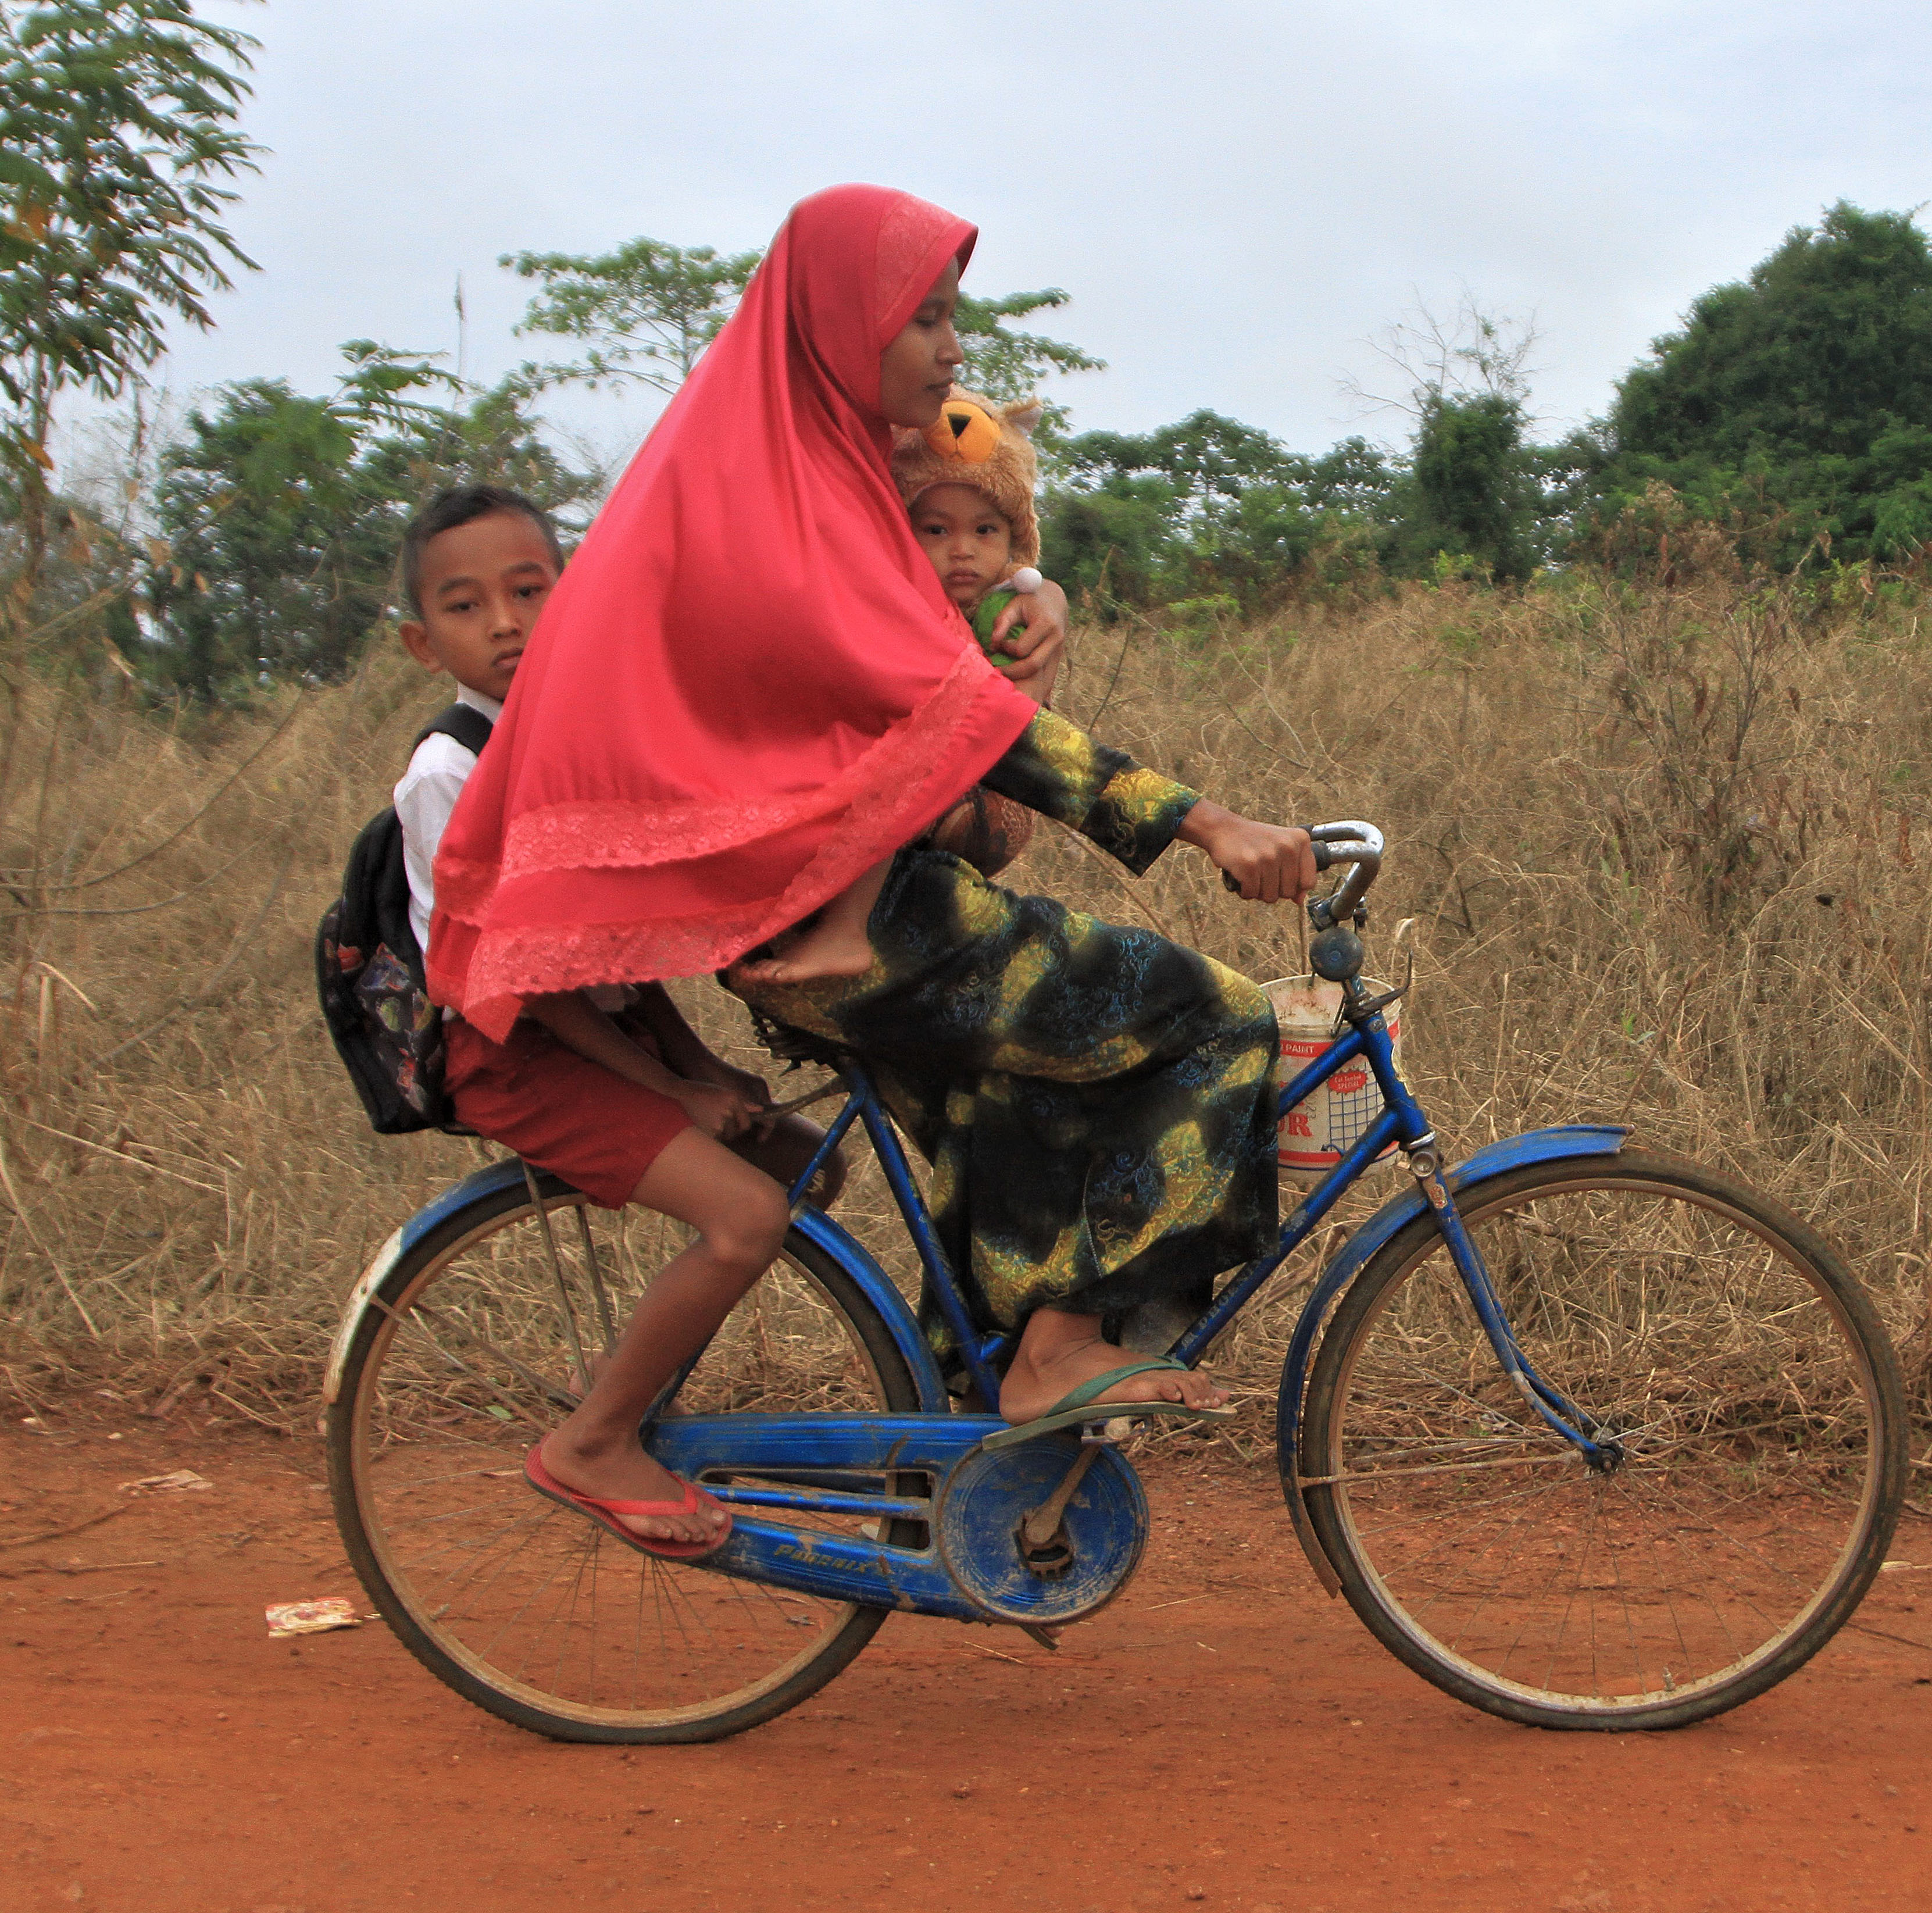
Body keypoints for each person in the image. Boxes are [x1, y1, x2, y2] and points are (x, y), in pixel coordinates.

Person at [422, 187, 1312, 1559]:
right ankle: (1055, 1352)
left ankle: (987, 1417)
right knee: (1216, 1016)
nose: (955, 348)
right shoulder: (798, 503)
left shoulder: (798, 468)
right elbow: (971, 716)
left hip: (812, 927)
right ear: (843, 324)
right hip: (861, 932)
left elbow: (961, 735)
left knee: (1027, 1109)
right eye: (929, 316)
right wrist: (1206, 827)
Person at [392, 483, 843, 1561]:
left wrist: (702, 1064)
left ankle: (631, 1389)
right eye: (465, 606)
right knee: (745, 1220)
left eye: (529, 589)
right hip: (516, 1054)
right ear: (421, 641)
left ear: (572, 592)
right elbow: (530, 977)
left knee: (802, 1167)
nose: (504, 622)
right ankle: (593, 1442)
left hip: (603, 1031)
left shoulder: (574, 732)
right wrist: (670, 1090)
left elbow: (619, 945)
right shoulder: (448, 772)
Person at [740, 386, 1052, 980]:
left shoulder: (1010, 613)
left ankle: (848, 928)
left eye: (985, 531)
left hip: (986, 794)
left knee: (892, 745)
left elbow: (1015, 733)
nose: (962, 551)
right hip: (927, 807)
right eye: (935, 531)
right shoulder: (895, 606)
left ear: (1014, 539)